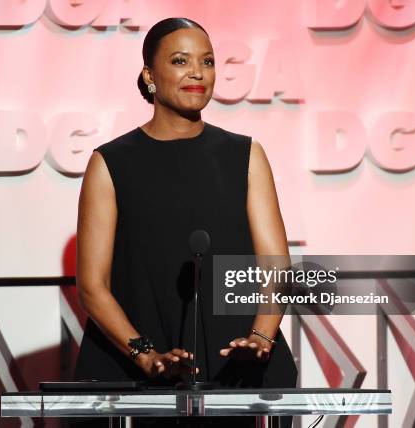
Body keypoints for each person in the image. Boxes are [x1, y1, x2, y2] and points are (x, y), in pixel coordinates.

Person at [72, 17, 298, 428]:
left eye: (207, 62)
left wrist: (262, 338)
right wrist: (146, 355)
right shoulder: (111, 163)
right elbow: (92, 286)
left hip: (235, 373)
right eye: (180, 60)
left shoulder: (245, 155)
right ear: (149, 75)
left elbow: (276, 266)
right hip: (136, 379)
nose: (197, 72)